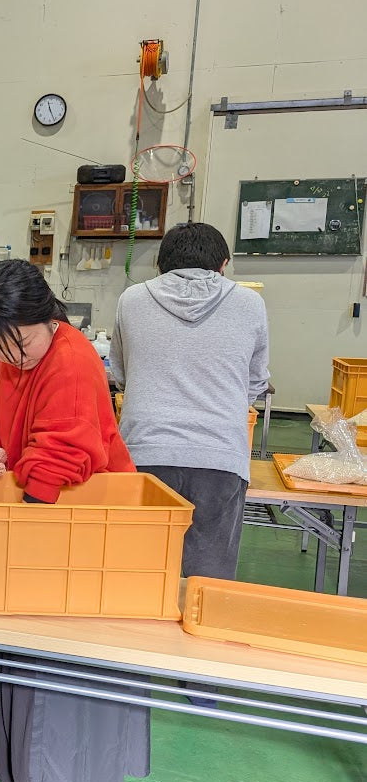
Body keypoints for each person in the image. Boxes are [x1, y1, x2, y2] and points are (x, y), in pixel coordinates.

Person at [0, 258, 143, 782]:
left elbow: (63, 458)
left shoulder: (70, 359)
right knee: (24, 664)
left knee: (61, 671)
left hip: (76, 525)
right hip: (27, 516)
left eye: (23, 344)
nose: (11, 358)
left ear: (50, 317)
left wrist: (23, 531)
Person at [111, 222, 269, 581]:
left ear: (160, 265)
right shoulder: (250, 303)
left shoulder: (132, 300)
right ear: (224, 265)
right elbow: (256, 380)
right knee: (206, 582)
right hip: (220, 453)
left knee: (137, 572)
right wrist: (221, 404)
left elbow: (122, 373)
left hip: (145, 449)